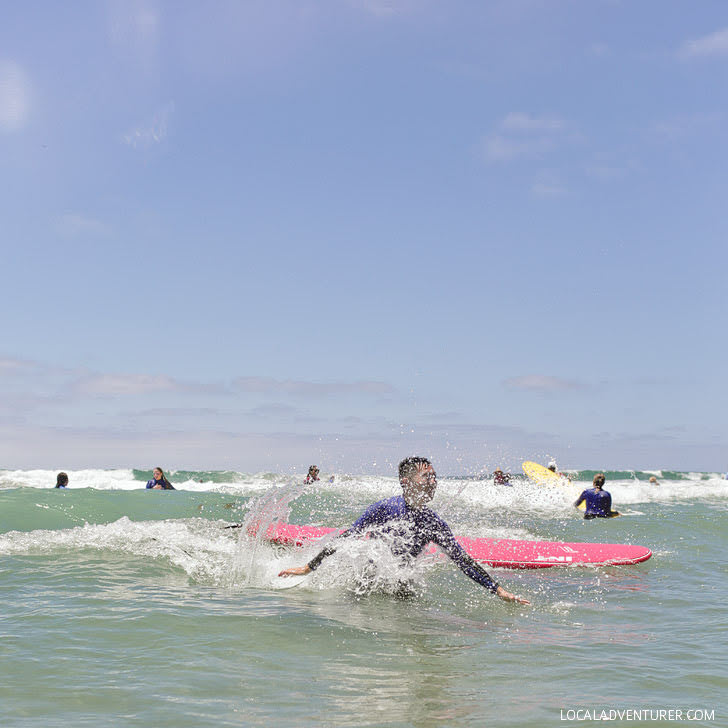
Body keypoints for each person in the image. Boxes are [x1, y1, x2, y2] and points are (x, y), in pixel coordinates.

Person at [279, 456, 529, 604]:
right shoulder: (383, 509)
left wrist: (498, 590)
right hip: (366, 582)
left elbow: (461, 560)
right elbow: (347, 538)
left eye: (434, 476)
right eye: (427, 477)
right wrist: (308, 568)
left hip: (402, 586)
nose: (434, 482)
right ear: (406, 482)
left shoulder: (433, 522)